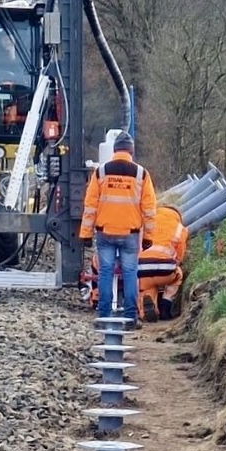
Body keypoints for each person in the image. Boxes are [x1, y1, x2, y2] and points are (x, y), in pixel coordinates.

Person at [79, 131, 157, 329]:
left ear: (114, 151)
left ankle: (104, 316)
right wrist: (148, 236)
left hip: (104, 232)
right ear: (131, 151)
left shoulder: (101, 172)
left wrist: (85, 234)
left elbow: (90, 206)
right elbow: (149, 209)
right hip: (130, 233)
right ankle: (131, 318)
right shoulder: (141, 174)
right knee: (130, 273)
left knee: (105, 273)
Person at [137, 203, 188, 322]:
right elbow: (180, 253)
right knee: (177, 275)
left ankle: (147, 309)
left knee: (147, 287)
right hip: (165, 268)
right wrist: (176, 263)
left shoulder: (146, 223)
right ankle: (166, 305)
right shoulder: (179, 228)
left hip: (142, 266)